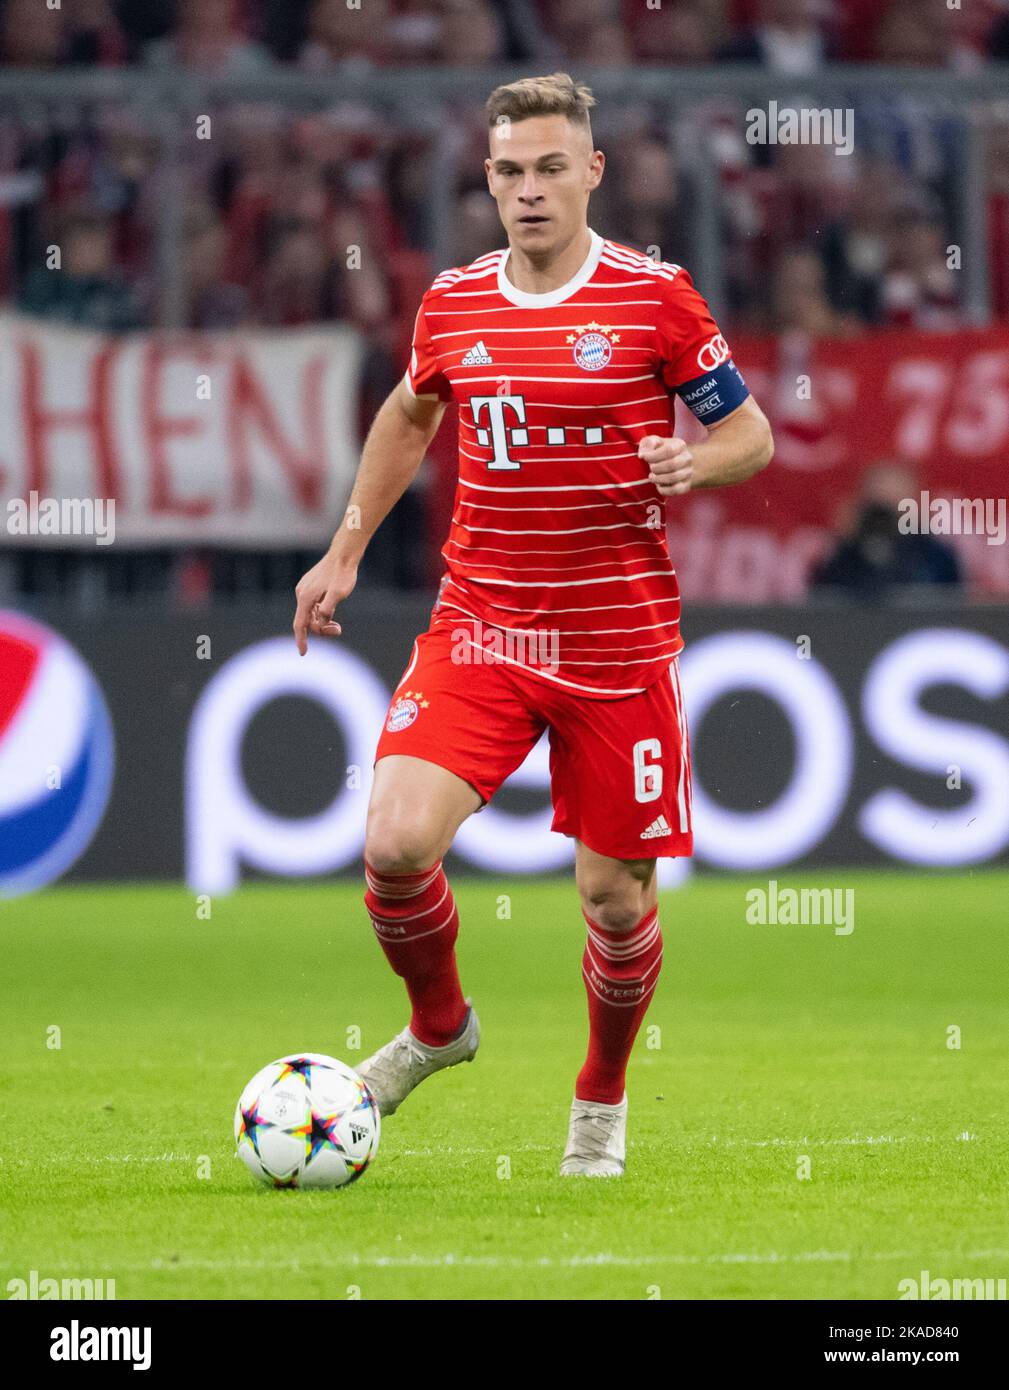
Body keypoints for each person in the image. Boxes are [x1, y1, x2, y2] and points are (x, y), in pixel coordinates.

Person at [292, 72, 773, 1177]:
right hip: (482, 630)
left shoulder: (655, 298)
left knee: (614, 901)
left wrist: (691, 464)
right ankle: (439, 1027)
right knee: (393, 845)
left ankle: (599, 1097)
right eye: (510, 171)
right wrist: (346, 546)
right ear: (489, 178)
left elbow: (749, 435)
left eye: (551, 168)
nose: (529, 190)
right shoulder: (454, 301)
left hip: (617, 646)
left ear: (591, 171)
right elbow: (409, 414)